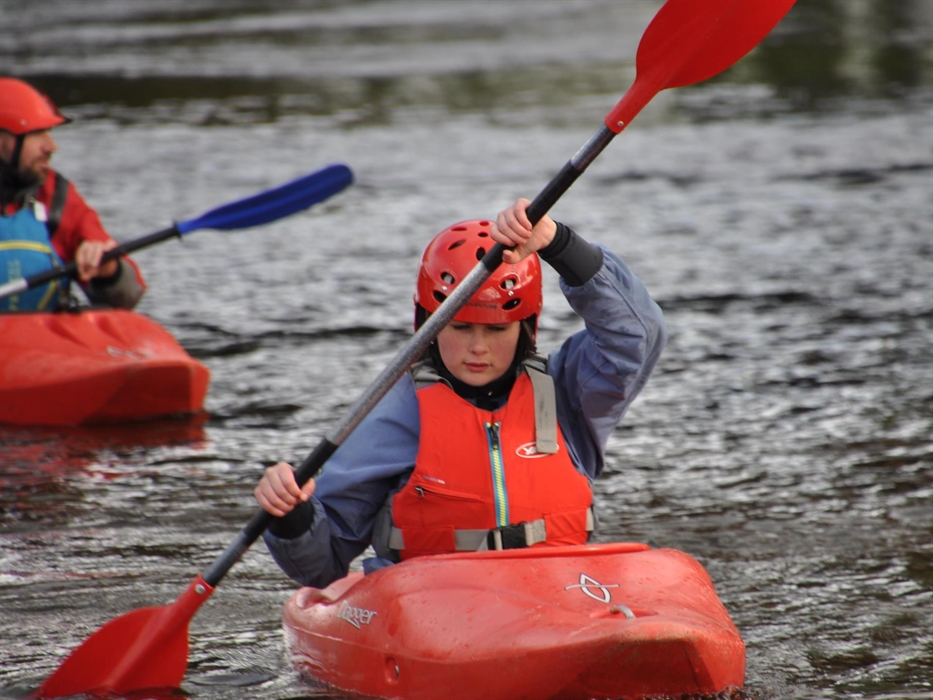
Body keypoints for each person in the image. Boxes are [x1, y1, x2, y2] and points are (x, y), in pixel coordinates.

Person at [255, 198, 667, 589]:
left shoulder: (568, 394)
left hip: (559, 595)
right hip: (436, 611)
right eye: (461, 327)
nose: (478, 348)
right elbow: (322, 564)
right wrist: (292, 513)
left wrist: (558, 243)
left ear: (526, 326)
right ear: (429, 325)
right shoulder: (393, 415)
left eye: (496, 329)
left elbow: (638, 335)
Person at [0, 76, 145, 312]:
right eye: (37, 133)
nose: (51, 146)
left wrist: (108, 270)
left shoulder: (55, 197)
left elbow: (127, 296)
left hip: (41, 342)